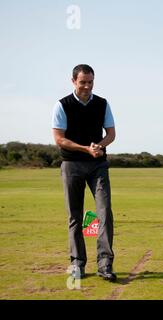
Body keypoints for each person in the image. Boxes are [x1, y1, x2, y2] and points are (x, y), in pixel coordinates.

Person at [52, 64, 117, 281]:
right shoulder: (62, 105)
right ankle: (77, 264)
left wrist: (99, 145)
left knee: (104, 212)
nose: (87, 86)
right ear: (73, 82)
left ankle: (105, 264)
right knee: (75, 216)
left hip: (98, 165)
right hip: (72, 164)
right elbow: (59, 139)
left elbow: (111, 133)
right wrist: (85, 149)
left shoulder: (102, 104)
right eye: (83, 82)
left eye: (90, 82)